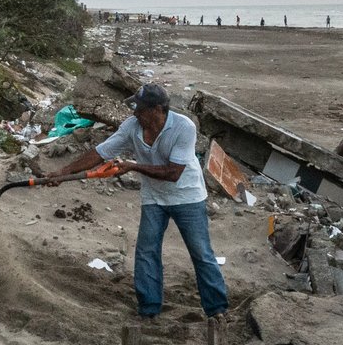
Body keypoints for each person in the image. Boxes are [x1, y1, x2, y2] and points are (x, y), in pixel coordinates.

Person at [42, 83, 228, 331]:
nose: (135, 113)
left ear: (158, 110)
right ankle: (149, 309)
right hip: (153, 196)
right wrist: (62, 172)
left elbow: (174, 173)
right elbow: (100, 152)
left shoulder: (184, 127)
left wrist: (133, 166)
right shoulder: (132, 126)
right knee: (146, 251)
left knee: (201, 253)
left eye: (140, 109)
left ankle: (217, 310)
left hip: (187, 196)